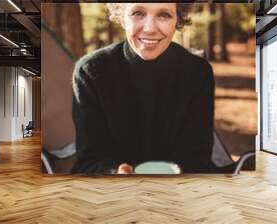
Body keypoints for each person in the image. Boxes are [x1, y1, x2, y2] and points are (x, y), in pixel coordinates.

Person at [71, 3, 216, 174]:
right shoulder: (91, 71)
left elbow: (197, 156)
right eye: (138, 13)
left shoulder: (197, 72)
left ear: (178, 18)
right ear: (121, 16)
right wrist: (113, 172)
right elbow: (89, 160)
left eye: (164, 15)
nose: (149, 29)